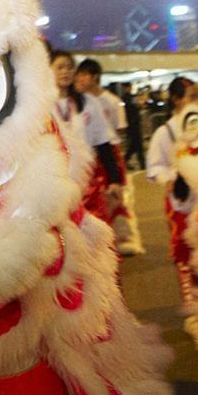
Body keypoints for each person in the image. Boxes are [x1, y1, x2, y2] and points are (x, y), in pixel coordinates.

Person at [75, 57, 143, 255]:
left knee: (116, 196)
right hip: (91, 155)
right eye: (78, 74)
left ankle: (123, 237)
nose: (79, 78)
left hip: (109, 150)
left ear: (95, 77)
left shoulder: (112, 101)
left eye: (83, 74)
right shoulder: (77, 101)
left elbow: (118, 130)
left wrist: (114, 159)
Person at [143, 76, 198, 190]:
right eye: (193, 97)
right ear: (176, 99)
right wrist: (167, 181)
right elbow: (155, 166)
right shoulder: (164, 132)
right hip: (181, 198)